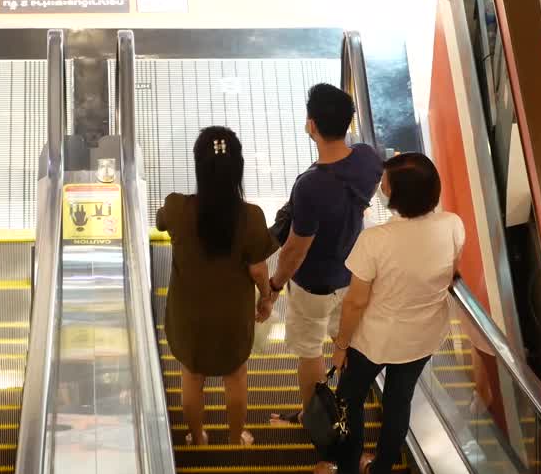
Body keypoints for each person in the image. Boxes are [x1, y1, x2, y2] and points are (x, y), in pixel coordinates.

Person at [314, 153, 465, 474]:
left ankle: (349, 471)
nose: (381, 186)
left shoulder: (376, 240)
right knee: (399, 401)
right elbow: (451, 270)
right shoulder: (452, 224)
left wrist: (340, 347)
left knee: (350, 401)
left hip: (373, 341)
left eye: (386, 183)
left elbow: (355, 302)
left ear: (398, 196)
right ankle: (380, 473)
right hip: (423, 337)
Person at [268, 83, 383, 424]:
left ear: (312, 125)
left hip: (313, 286)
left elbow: (294, 250)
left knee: (309, 350)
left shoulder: (310, 186)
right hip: (352, 277)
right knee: (343, 339)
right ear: (348, 123)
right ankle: (346, 410)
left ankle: (314, 418)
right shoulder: (367, 158)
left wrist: (274, 286)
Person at [157, 126, 278, 446]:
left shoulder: (177, 207)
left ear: (199, 167)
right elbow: (258, 269)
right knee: (235, 376)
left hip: (188, 316)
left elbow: (160, 220)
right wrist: (266, 298)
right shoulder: (251, 217)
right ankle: (237, 435)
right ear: (237, 169)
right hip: (232, 318)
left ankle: (197, 437)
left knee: (192, 377)